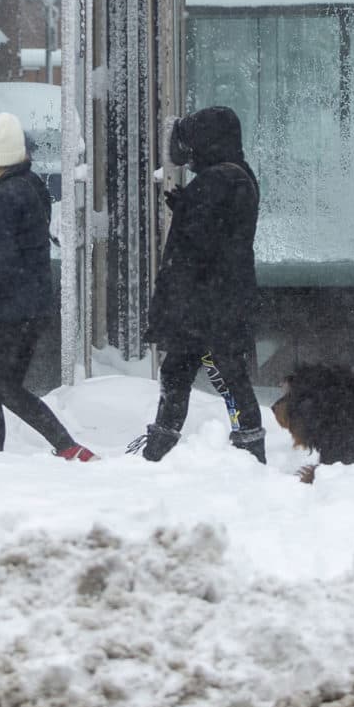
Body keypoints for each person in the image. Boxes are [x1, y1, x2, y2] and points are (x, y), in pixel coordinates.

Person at [0, 111, 97, 460]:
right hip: (30, 309)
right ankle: (9, 458)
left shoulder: (2, 200)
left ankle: (63, 446)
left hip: (7, 315)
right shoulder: (30, 186)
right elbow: (16, 254)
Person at [136, 105, 266, 463]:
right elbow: (226, 232)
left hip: (204, 302)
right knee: (206, 371)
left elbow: (200, 245)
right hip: (220, 297)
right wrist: (189, 206)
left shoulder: (217, 181)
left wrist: (190, 209)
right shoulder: (238, 175)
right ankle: (167, 446)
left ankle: (245, 449)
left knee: (213, 372)